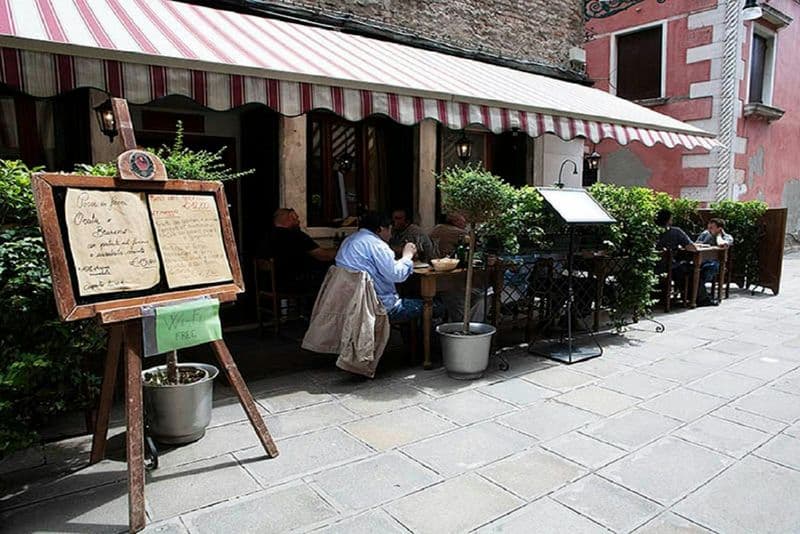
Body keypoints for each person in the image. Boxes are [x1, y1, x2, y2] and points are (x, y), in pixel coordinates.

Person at [335, 211, 423, 321]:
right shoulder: (377, 245)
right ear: (381, 229)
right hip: (378, 307)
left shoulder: (348, 241)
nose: (391, 234)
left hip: (350, 306)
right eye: (390, 229)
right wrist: (407, 256)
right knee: (435, 306)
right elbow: (396, 275)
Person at [263, 208, 336, 290]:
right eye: (296, 218)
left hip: (270, 285)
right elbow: (324, 256)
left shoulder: (266, 237)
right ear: (290, 217)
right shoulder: (296, 235)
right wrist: (340, 250)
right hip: (295, 285)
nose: (298, 221)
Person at [693, 218, 734, 305]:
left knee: (707, 269)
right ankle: (699, 296)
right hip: (700, 260)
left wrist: (718, 236)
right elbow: (695, 244)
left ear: (719, 229)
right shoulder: (705, 234)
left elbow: (722, 245)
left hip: (714, 262)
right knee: (690, 269)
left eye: (711, 228)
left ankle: (701, 297)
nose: (709, 229)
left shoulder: (727, 237)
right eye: (708, 227)